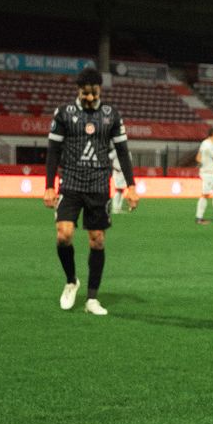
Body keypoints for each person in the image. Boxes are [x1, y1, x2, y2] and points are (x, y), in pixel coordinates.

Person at [44, 68, 139, 314]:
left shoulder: (111, 115)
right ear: (78, 90)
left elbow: (122, 152)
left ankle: (92, 299)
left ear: (100, 89)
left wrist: (131, 186)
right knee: (63, 235)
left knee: (97, 240)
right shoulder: (64, 113)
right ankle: (71, 281)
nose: (89, 98)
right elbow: (53, 151)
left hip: (98, 185)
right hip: (71, 183)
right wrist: (48, 186)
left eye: (93, 93)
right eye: (85, 93)